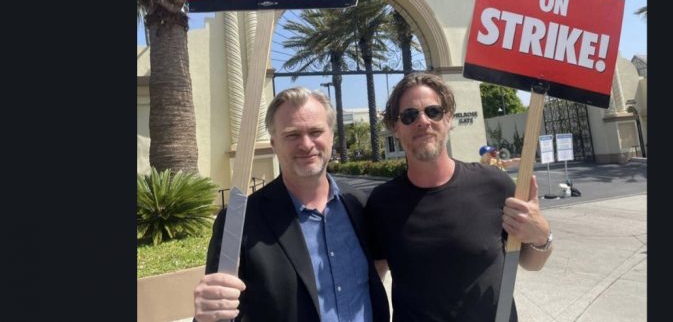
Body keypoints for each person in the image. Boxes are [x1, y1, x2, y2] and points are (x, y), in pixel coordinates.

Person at [366, 72, 552, 321]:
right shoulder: (382, 203)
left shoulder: (494, 184)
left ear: (448, 119)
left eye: (433, 111)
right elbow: (376, 275)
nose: (423, 121)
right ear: (396, 128)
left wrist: (541, 236)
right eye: (409, 115)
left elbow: (532, 262)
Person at [193, 87, 390, 322]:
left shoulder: (359, 204)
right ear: (274, 143)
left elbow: (377, 271)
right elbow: (220, 310)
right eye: (292, 135)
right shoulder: (239, 222)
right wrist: (208, 313)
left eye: (316, 132)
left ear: (332, 137)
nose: (306, 144)